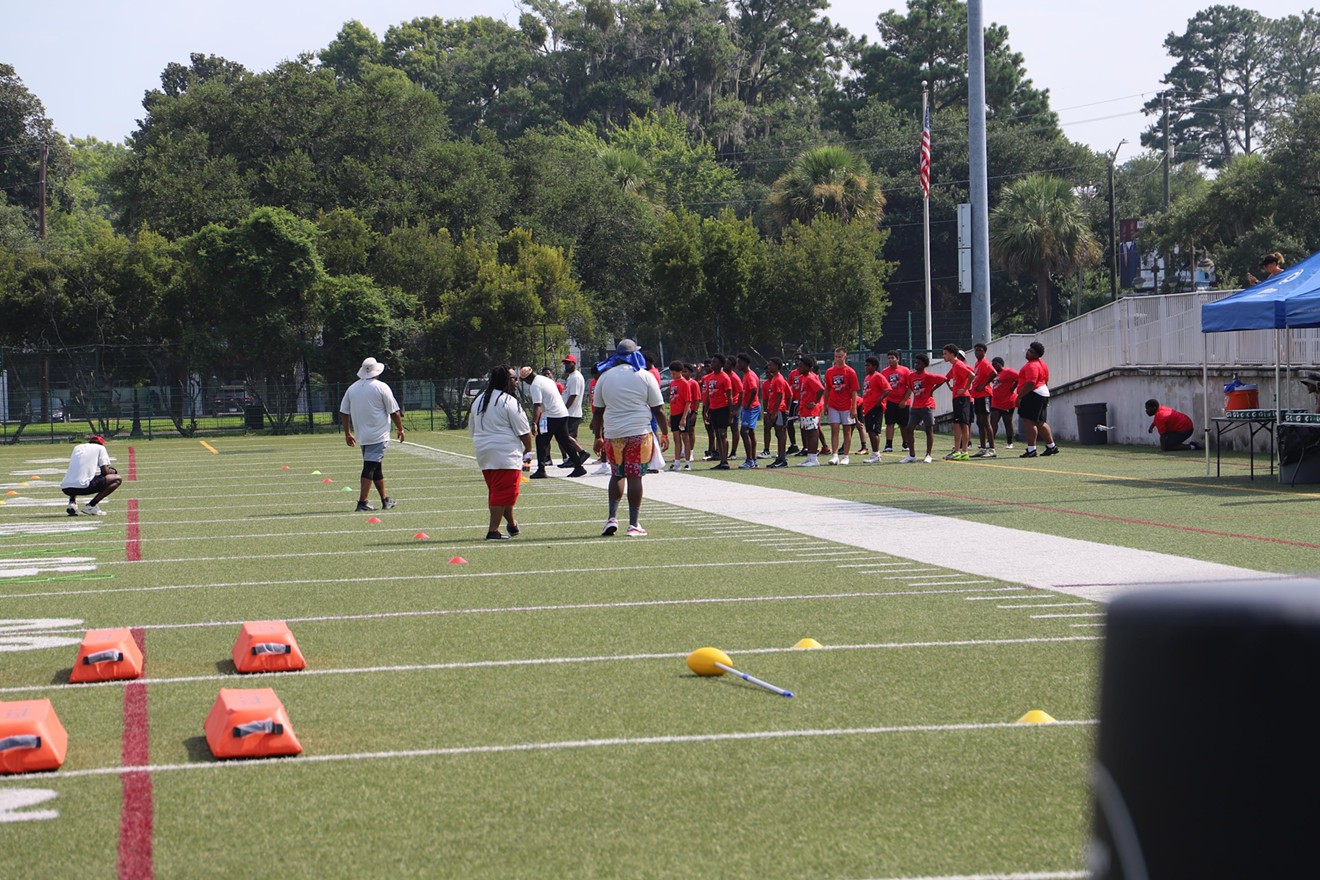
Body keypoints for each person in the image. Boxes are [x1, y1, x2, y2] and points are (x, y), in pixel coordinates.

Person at [591, 339, 669, 537]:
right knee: (635, 477)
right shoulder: (644, 376)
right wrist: (665, 433)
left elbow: (598, 412)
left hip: (612, 433)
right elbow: (658, 409)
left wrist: (598, 437)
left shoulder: (604, 377)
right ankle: (633, 524)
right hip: (639, 433)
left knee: (617, 474)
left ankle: (611, 518)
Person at [469, 366, 534, 540]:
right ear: (505, 380)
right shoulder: (508, 401)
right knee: (505, 493)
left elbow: (472, 429)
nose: (516, 381)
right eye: (513, 378)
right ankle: (493, 531)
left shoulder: (479, 400)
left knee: (499, 492)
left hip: (483, 452)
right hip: (505, 453)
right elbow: (524, 432)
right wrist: (529, 451)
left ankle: (512, 524)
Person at [340, 356, 405, 512]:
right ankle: (362, 502)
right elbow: (395, 412)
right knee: (369, 467)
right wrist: (400, 429)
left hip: (362, 435)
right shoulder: (382, 387)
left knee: (376, 467)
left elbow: (344, 412)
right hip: (379, 435)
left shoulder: (352, 388)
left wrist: (348, 433)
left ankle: (385, 499)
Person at [521, 366, 588, 479]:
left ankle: (541, 470)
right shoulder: (546, 380)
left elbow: (537, 405)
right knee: (564, 441)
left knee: (540, 441)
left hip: (551, 416)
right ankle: (578, 467)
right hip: (562, 413)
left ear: (527, 379)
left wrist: (534, 423)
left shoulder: (535, 385)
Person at [899, 354, 949, 463]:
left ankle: (928, 454)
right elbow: (910, 389)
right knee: (909, 428)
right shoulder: (911, 376)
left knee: (928, 429)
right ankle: (912, 455)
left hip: (927, 405)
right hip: (916, 406)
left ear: (925, 365)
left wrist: (932, 390)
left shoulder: (928, 376)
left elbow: (943, 379)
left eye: (919, 363)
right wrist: (904, 400)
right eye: (916, 362)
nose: (916, 365)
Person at [60, 434, 121, 516]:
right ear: (102, 444)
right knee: (117, 479)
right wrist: (113, 471)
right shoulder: (100, 448)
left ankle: (72, 503)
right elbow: (105, 472)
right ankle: (91, 505)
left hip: (66, 488)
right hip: (84, 487)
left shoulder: (77, 447)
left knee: (78, 474)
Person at [1016, 341, 1058, 458]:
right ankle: (1051, 446)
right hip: (1042, 392)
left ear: (1036, 355)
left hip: (1033, 393)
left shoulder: (1032, 365)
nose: (1028, 353)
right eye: (1029, 350)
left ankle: (1031, 449)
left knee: (1029, 421)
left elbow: (1031, 383)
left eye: (1032, 352)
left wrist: (1019, 397)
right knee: (1040, 422)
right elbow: (1045, 380)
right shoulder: (1042, 364)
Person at [824, 347, 859, 465]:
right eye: (836, 357)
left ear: (845, 357)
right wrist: (825, 405)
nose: (838, 359)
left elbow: (854, 391)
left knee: (847, 431)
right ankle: (834, 455)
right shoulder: (829, 371)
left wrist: (854, 407)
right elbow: (827, 389)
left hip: (846, 405)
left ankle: (846, 456)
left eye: (840, 357)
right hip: (833, 404)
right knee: (834, 429)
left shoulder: (850, 372)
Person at [941, 345, 974, 460]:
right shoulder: (954, 366)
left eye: (945, 353)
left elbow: (971, 375)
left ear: (951, 354)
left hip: (962, 398)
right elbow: (946, 378)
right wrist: (951, 386)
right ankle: (957, 450)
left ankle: (964, 451)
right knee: (957, 424)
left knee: (963, 424)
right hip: (957, 397)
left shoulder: (959, 364)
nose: (943, 356)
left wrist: (965, 389)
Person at [701, 354, 734, 469]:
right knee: (717, 434)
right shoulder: (710, 378)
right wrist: (706, 411)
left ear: (721, 364)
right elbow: (709, 396)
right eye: (712, 362)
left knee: (722, 434)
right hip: (713, 409)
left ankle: (725, 461)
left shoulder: (725, 377)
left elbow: (729, 396)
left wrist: (731, 413)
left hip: (723, 409)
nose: (712, 364)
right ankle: (721, 459)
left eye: (714, 362)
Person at [795, 354, 826, 467]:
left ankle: (813, 459)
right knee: (807, 433)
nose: (799, 368)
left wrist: (815, 402)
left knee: (812, 433)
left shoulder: (810, 377)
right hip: (805, 410)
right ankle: (809, 457)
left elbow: (821, 389)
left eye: (801, 366)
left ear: (808, 367)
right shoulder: (803, 377)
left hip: (811, 411)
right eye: (798, 366)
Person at [880, 350, 912, 455]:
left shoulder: (905, 371)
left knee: (903, 424)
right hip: (890, 401)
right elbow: (882, 387)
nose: (890, 360)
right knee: (890, 423)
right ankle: (889, 444)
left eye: (892, 358)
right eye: (889, 358)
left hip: (903, 402)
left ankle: (906, 443)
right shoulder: (884, 372)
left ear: (897, 359)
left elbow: (910, 386)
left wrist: (904, 400)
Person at [763, 358, 792, 468]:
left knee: (780, 434)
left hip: (779, 411)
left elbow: (780, 396)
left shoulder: (779, 379)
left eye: (771, 365)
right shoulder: (774, 379)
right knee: (778, 433)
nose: (769, 367)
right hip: (775, 411)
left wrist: (776, 411)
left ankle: (782, 459)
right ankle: (779, 458)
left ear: (777, 366)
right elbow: (789, 394)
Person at [970, 343, 997, 457]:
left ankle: (992, 449)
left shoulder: (985, 363)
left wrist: (984, 385)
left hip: (984, 394)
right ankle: (983, 448)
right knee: (979, 422)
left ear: (984, 352)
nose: (977, 352)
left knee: (986, 422)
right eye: (976, 350)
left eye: (980, 350)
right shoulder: (977, 363)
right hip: (977, 395)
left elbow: (994, 373)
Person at [736, 352, 762, 468]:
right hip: (750, 407)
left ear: (745, 363)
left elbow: (754, 390)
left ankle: (749, 460)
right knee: (750, 432)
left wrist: (748, 403)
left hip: (751, 407)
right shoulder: (746, 374)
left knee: (744, 431)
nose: (737, 364)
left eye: (739, 362)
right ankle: (754, 460)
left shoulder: (750, 375)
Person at [666, 359, 693, 471]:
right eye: (671, 373)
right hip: (674, 414)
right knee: (676, 439)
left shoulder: (684, 383)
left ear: (680, 372)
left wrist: (684, 418)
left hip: (683, 414)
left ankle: (687, 463)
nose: (673, 375)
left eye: (675, 373)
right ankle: (677, 463)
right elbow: (672, 400)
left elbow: (688, 401)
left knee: (685, 438)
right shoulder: (672, 383)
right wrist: (670, 416)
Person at [859, 356, 886, 463]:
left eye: (868, 365)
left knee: (874, 431)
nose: (866, 367)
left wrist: (879, 401)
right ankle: (875, 454)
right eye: (865, 365)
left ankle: (876, 454)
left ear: (874, 367)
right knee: (870, 430)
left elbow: (887, 389)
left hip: (875, 408)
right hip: (868, 408)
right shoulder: (867, 378)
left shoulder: (878, 376)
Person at [559, 354, 586, 461]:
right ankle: (573, 457)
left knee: (566, 436)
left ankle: (580, 453)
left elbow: (573, 395)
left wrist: (565, 409)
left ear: (574, 364)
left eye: (568, 363)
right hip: (571, 412)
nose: (566, 365)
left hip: (572, 412)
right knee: (570, 437)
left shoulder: (576, 377)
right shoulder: (572, 376)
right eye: (565, 363)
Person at [988, 357, 1018, 451]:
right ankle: (990, 441)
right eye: (992, 364)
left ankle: (1010, 442)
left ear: (1001, 364)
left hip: (1007, 401)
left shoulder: (1009, 371)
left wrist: (1012, 389)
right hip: (996, 401)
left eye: (995, 364)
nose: (993, 366)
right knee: (993, 421)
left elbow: (1019, 378)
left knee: (1007, 422)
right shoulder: (993, 373)